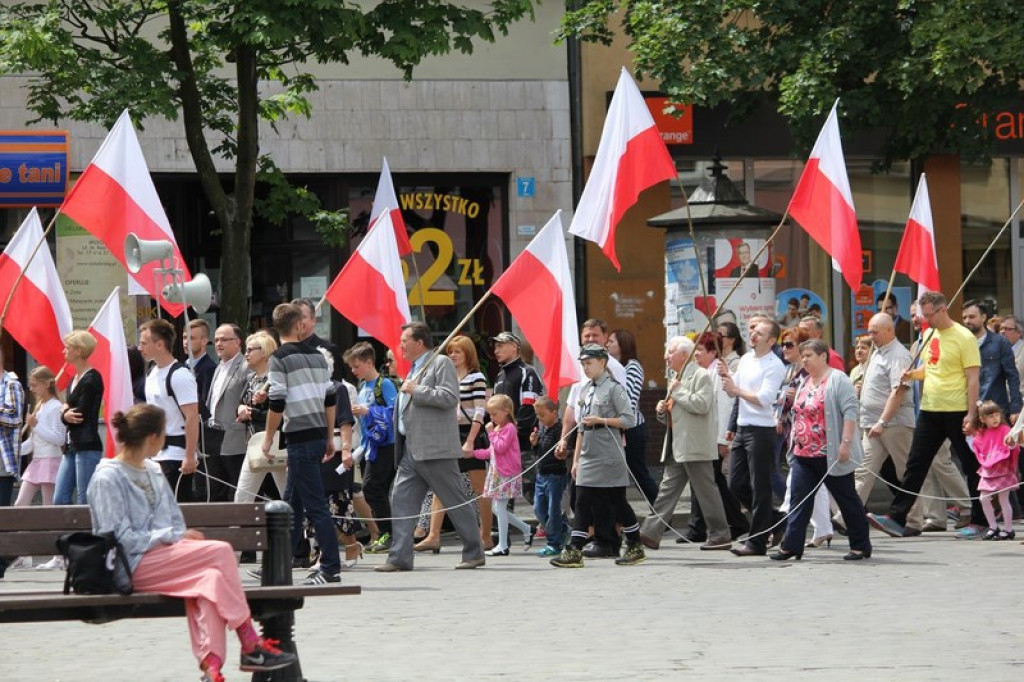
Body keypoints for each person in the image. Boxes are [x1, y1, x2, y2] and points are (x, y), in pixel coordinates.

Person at [87, 404, 298, 682]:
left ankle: (212, 669)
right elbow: (118, 538)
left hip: (164, 558)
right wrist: (169, 537)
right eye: (164, 435)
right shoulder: (108, 477)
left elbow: (174, 520)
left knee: (211, 581)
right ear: (153, 437)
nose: (165, 441)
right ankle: (249, 643)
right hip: (129, 567)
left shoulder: (152, 470)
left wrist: (173, 536)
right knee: (220, 551)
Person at [869, 291, 984, 539]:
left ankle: (980, 519)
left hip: (957, 409)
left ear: (943, 310)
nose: (926, 320)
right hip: (931, 409)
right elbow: (932, 367)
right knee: (915, 464)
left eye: (929, 315)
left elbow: (972, 378)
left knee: (970, 464)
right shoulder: (930, 334)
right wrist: (913, 374)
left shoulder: (964, 338)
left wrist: (971, 413)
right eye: (924, 316)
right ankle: (897, 517)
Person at [376, 321, 485, 572]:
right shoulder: (414, 368)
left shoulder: (440, 363)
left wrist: (417, 389)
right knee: (401, 501)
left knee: (455, 501)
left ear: (419, 342)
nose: (401, 346)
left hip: (435, 449)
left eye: (405, 341)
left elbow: (449, 397)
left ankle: (474, 551)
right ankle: (399, 557)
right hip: (410, 449)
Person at [263, 302, 344, 584]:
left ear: (276, 327)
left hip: (298, 436)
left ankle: (331, 568)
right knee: (292, 503)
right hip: (317, 433)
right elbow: (330, 397)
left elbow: (277, 400)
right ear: (299, 325)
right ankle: (279, 562)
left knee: (313, 505)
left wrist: (270, 437)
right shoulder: (319, 357)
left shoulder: (279, 359)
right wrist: (329, 435)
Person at [771, 340, 872, 561]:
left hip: (831, 454)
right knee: (799, 499)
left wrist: (845, 443)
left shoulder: (838, 379)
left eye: (809, 355)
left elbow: (850, 411)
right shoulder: (805, 381)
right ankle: (792, 546)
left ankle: (860, 545)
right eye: (803, 356)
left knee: (846, 499)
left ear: (823, 356)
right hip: (803, 453)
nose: (804, 360)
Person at [551, 344, 643, 568]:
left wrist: (602, 421)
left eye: (590, 363)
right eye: (583, 364)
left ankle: (634, 543)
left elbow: (629, 420)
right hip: (589, 454)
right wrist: (575, 459)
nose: (586, 368)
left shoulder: (614, 388)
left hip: (609, 453)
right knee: (581, 500)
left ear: (603, 362)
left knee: (616, 501)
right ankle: (574, 549)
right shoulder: (585, 390)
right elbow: (581, 428)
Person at [639, 336, 731, 551]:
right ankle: (650, 533)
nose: (665, 357)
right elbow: (677, 413)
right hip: (677, 444)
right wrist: (663, 411)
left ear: (683, 354)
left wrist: (678, 392)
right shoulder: (676, 376)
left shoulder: (701, 375)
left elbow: (702, 404)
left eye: (670, 352)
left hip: (695, 445)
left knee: (706, 491)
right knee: (667, 490)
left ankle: (720, 534)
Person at [846, 313, 925, 533]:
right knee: (863, 471)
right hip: (873, 424)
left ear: (889, 331)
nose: (871, 336)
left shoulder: (897, 355)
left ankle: (913, 521)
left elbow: (898, 391)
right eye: (869, 331)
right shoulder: (877, 352)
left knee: (904, 474)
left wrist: (883, 420)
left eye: (875, 332)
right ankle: (846, 516)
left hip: (894, 424)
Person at [415, 335, 492, 553]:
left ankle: (485, 535)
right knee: (441, 485)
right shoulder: (447, 376)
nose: (453, 355)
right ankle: (433, 535)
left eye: (458, 351)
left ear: (468, 353)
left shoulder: (476, 377)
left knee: (480, 488)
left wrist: (469, 441)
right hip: (449, 432)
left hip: (470, 433)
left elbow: (479, 410)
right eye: (450, 351)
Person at [720, 318, 787, 556]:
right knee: (736, 484)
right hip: (743, 427)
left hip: (761, 430)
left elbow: (765, 398)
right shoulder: (747, 359)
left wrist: (736, 390)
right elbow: (734, 390)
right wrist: (727, 377)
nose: (754, 335)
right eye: (753, 332)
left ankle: (756, 542)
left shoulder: (774, 365)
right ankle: (777, 518)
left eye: (760, 333)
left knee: (761, 487)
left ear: (771, 341)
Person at [680, 332, 750, 543]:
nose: (696, 354)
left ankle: (735, 522)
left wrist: (722, 439)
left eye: (700, 350)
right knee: (714, 482)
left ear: (713, 352)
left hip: (716, 436)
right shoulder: (708, 371)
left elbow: (723, 406)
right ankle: (730, 522)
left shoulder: (718, 372)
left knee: (716, 483)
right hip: (710, 436)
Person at [775, 326, 834, 547]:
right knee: (813, 486)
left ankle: (782, 522)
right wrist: (780, 413)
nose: (784, 349)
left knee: (798, 484)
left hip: (814, 438)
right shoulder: (790, 371)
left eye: (789, 344)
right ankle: (824, 529)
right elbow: (783, 400)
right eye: (782, 345)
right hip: (794, 433)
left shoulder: (811, 374)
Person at [344, 341, 398, 555]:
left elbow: (395, 412)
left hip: (387, 444)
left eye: (356, 366)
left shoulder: (383, 384)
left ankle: (388, 533)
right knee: (376, 490)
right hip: (370, 445)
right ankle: (385, 533)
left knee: (372, 488)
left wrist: (368, 411)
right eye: (351, 367)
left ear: (369, 362)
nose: (353, 370)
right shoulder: (363, 386)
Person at [140, 319, 200, 501]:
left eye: (144, 343)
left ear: (160, 344)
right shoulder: (152, 373)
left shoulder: (180, 375)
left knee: (177, 509)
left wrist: (189, 456)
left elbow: (192, 417)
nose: (139, 347)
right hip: (155, 455)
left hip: (176, 456)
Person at [467, 394, 535, 555]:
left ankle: (503, 545)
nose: (492, 418)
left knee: (500, 507)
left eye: (494, 414)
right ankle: (526, 529)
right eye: (490, 414)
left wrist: (490, 433)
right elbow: (491, 452)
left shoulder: (510, 428)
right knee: (497, 508)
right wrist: (473, 453)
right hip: (496, 472)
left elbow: (500, 447)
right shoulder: (497, 429)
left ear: (506, 411)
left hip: (507, 474)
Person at [234, 332, 287, 503]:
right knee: (243, 495)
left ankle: (302, 528)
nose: (246, 354)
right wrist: (241, 409)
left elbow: (279, 414)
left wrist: (251, 413)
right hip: (254, 444)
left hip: (275, 442)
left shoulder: (276, 380)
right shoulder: (251, 379)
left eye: (250, 350)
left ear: (264, 352)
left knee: (288, 493)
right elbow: (240, 405)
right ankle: (241, 529)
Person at [608, 328, 658, 504]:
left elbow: (629, 397)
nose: (607, 345)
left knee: (638, 472)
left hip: (632, 428)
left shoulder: (632, 366)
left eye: (611, 342)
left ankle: (660, 510)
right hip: (618, 427)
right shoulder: (615, 367)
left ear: (623, 345)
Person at [53, 331, 102, 506]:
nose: (63, 352)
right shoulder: (73, 379)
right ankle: (71, 532)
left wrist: (64, 412)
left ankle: (87, 533)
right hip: (71, 446)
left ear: (78, 351)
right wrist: (65, 412)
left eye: (68, 348)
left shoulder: (92, 379)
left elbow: (78, 415)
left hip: (87, 446)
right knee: (59, 498)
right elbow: (67, 412)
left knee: (85, 500)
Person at [204, 324, 249, 502]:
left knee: (236, 489)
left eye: (224, 339)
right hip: (214, 438)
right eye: (215, 340)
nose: (218, 343)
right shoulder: (219, 367)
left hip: (235, 439)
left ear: (237, 342)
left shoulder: (245, 366)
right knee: (215, 490)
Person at [15, 367, 65, 508]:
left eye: (35, 385)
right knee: (20, 504)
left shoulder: (56, 407)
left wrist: (36, 425)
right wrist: (14, 449)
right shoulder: (40, 407)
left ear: (46, 385)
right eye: (31, 385)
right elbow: (33, 442)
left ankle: (50, 530)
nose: (31, 388)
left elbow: (59, 439)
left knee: (48, 507)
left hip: (51, 461)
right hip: (37, 461)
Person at [963, 299, 1021, 422]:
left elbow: (1012, 376)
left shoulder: (1000, 343)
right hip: (966, 411)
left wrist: (1015, 409)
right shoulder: (960, 344)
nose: (967, 321)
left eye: (972, 317)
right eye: (965, 318)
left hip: (995, 411)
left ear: (983, 317)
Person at [971, 401, 1018, 540]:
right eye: (991, 416)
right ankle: (993, 526)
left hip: (1003, 469)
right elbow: (977, 447)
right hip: (988, 469)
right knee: (983, 498)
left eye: (997, 415)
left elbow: (1013, 446)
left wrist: (1011, 445)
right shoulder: (981, 433)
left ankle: (1009, 529)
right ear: (982, 419)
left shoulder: (1005, 429)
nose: (995, 418)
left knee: (1004, 499)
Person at [531, 396, 568, 556]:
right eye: (538, 416)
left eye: (542, 415)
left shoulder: (560, 430)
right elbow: (539, 454)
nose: (540, 419)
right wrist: (534, 444)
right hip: (542, 475)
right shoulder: (543, 429)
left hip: (555, 475)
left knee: (553, 509)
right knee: (539, 509)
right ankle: (563, 529)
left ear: (554, 413)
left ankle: (555, 543)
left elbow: (565, 452)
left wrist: (562, 452)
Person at [292, 297, 343, 381]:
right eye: (294, 317)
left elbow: (337, 385)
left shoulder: (329, 350)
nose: (298, 321)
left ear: (313, 320)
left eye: (303, 317)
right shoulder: (285, 350)